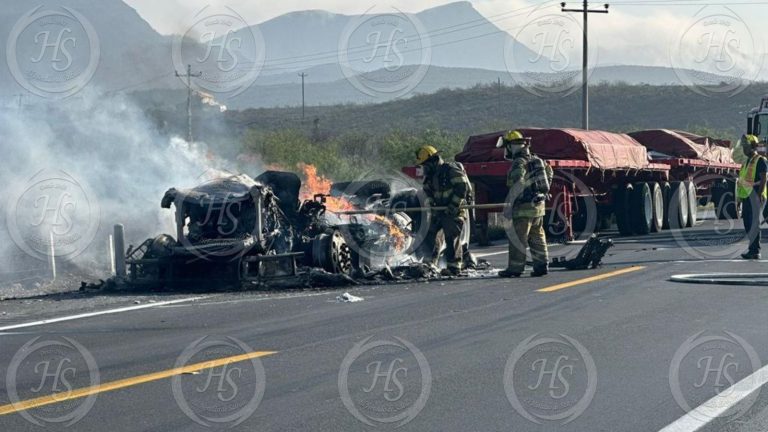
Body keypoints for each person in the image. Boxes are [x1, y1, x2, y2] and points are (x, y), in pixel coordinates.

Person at [497, 131, 553, 278]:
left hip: (523, 209)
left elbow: (517, 183)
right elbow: (549, 173)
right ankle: (541, 266)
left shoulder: (518, 162)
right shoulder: (536, 160)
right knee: (537, 237)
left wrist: (513, 203)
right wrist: (539, 194)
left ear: (510, 146)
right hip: (538, 208)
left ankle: (515, 269)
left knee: (517, 238)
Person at [415, 145, 472, 276]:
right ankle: (430, 263)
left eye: (425, 165)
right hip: (439, 211)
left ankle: (454, 266)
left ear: (433, 161)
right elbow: (427, 192)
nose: (423, 168)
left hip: (454, 210)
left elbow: (462, 187)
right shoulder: (430, 176)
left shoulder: (450, 169)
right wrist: (430, 207)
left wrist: (453, 205)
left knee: (451, 236)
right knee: (430, 234)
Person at [737, 134, 767, 260]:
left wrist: (758, 195)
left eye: (746, 146)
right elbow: (742, 182)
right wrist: (739, 200)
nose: (744, 149)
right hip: (746, 197)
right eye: (743, 146)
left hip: (755, 197)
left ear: (753, 146)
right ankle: (752, 249)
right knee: (748, 224)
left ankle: (755, 251)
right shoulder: (746, 163)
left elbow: (764, 178)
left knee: (754, 224)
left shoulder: (760, 160)